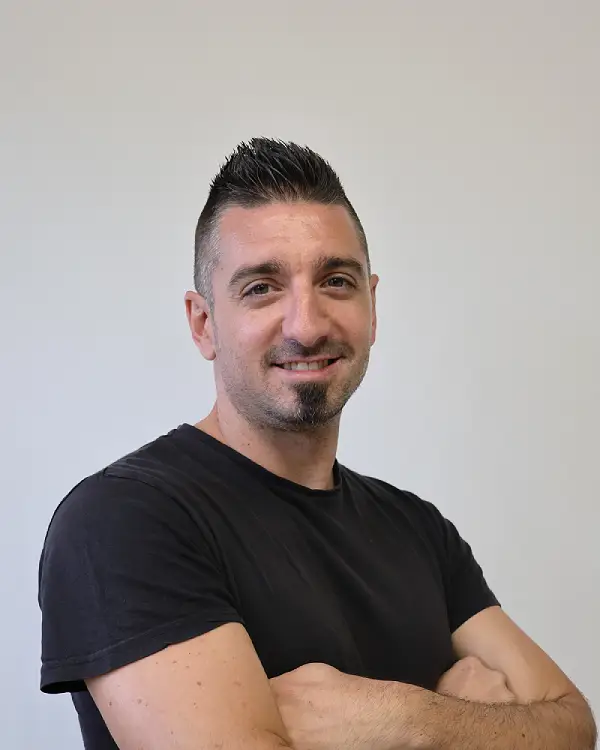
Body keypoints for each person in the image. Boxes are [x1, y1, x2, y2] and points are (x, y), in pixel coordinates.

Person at [38, 138, 596, 750]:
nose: (306, 325)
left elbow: (574, 726)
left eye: (335, 281)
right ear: (204, 324)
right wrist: (475, 726)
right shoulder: (125, 521)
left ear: (372, 307)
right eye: (261, 288)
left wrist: (410, 721)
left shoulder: (419, 531)